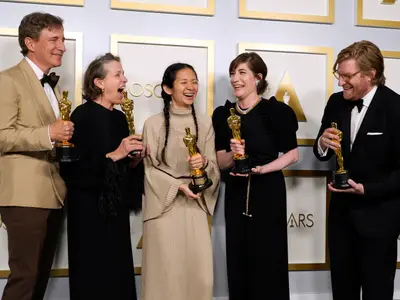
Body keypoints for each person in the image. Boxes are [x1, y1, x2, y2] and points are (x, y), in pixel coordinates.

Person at [313, 40, 400, 300]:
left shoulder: (396, 108)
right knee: (342, 292)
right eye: (339, 75)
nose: (341, 82)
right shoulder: (336, 102)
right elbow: (322, 152)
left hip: (379, 219)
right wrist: (321, 143)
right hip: (341, 219)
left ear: (371, 74)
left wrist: (366, 189)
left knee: (377, 293)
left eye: (348, 76)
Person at [212, 52, 299, 299]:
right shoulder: (223, 114)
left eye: (242, 73)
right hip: (236, 194)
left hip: (267, 193)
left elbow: (292, 155)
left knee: (268, 260)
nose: (235, 79)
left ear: (258, 78)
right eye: (232, 73)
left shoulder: (277, 111)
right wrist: (234, 154)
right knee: (238, 259)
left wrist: (261, 169)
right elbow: (220, 160)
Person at [60, 53, 146, 300]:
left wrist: (134, 160)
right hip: (88, 213)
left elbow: (120, 168)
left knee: (117, 273)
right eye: (118, 74)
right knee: (92, 275)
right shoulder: (81, 116)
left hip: (114, 210)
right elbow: (73, 170)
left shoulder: (120, 118)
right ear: (98, 82)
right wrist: (116, 154)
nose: (125, 79)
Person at [0, 12, 72, 300]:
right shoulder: (8, 80)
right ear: (30, 42)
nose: (62, 46)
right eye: (54, 39)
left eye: (63, 39)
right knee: (25, 277)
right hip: (23, 195)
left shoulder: (49, 84)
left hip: (53, 194)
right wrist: (48, 134)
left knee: (40, 277)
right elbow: (2, 135)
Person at [141, 62, 220, 300]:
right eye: (184, 82)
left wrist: (204, 164)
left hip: (195, 205)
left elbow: (214, 166)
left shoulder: (205, 123)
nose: (191, 87)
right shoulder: (152, 124)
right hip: (163, 208)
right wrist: (178, 186)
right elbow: (149, 169)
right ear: (167, 88)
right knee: (164, 275)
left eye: (194, 81)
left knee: (199, 275)